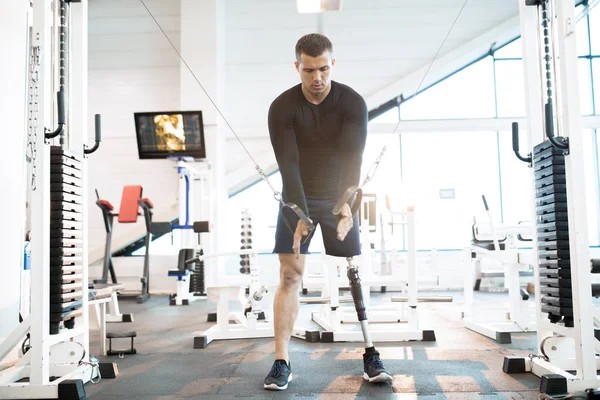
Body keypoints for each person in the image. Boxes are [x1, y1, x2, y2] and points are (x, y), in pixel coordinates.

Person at [264, 33, 392, 391]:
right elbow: (288, 165)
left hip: (338, 192)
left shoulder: (352, 103)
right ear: (297, 68)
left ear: (332, 64)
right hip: (298, 195)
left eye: (323, 69)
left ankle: (370, 353)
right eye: (308, 70)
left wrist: (347, 206)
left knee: (352, 268)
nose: (316, 77)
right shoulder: (283, 107)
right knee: (290, 275)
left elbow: (354, 159)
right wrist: (301, 214)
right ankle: (281, 361)